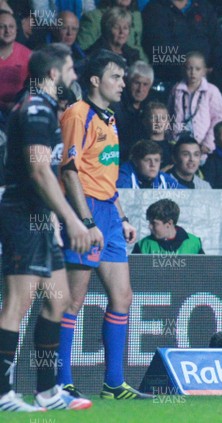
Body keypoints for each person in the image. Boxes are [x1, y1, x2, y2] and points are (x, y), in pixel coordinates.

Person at [0, 43, 93, 412]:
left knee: (59, 301)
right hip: (21, 212)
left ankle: (47, 392)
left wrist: (55, 222)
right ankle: (4, 395)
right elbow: (39, 170)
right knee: (17, 303)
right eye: (69, 69)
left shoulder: (45, 109)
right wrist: (71, 220)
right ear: (54, 73)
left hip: (40, 217)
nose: (73, 76)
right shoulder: (36, 109)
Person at [57, 49, 151, 400]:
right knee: (72, 300)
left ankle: (113, 383)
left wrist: (122, 217)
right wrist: (84, 221)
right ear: (95, 80)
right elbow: (70, 172)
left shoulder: (110, 118)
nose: (123, 84)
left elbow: (105, 176)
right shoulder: (77, 114)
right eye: (116, 77)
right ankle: (61, 381)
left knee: (122, 297)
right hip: (85, 211)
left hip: (109, 214)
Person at [167, 51, 222, 165]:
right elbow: (169, 115)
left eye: (197, 69)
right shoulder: (176, 89)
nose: (193, 73)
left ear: (204, 71)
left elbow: (218, 119)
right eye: (189, 68)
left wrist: (208, 144)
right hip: (179, 143)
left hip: (202, 146)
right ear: (184, 69)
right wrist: (170, 138)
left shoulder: (211, 91)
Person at [77, 0, 147, 62]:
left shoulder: (136, 16)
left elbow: (138, 46)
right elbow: (82, 52)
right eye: (116, 27)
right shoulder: (94, 17)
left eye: (125, 28)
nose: (122, 32)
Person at [113, 60, 154, 162]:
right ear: (127, 82)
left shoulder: (150, 109)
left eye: (145, 84)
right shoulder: (115, 107)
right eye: (137, 83)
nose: (140, 89)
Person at [132, 199, 205, 254]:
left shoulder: (194, 244)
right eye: (149, 222)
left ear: (169, 224)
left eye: (154, 223)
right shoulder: (142, 246)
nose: (150, 226)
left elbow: (204, 273)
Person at [0, 10, 31, 114]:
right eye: (2, 27)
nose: (7, 31)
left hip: (19, 112)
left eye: (11, 27)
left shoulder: (28, 55)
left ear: (17, 30)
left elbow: (38, 87)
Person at [117, 139, 182, 189]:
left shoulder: (162, 177)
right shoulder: (124, 174)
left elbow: (187, 194)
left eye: (156, 160)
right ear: (135, 161)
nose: (153, 165)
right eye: (147, 160)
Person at [140, 101, 172, 168]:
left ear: (168, 122)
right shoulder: (139, 147)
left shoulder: (173, 148)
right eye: (154, 118)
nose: (159, 122)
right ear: (145, 121)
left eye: (163, 118)